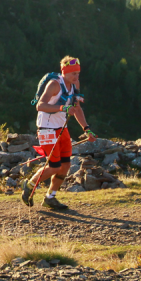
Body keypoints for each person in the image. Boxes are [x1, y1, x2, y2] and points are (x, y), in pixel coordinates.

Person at [22, 56, 96, 211]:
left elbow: (77, 109)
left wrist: (86, 129)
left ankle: (50, 197)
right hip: (46, 129)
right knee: (54, 166)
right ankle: (29, 185)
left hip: (62, 128)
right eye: (73, 74)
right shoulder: (54, 85)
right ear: (64, 72)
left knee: (66, 164)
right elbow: (40, 106)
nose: (76, 77)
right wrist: (62, 108)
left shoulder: (75, 85)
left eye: (78, 73)